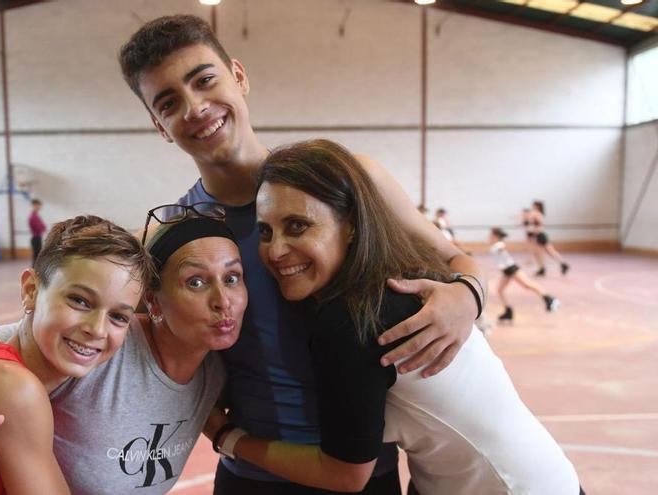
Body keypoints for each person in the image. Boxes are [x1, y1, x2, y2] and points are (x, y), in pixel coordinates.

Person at [119, 15, 486, 493]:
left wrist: (467, 298)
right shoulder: (173, 235)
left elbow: (457, 260)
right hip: (252, 473)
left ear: (239, 76)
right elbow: (102, 327)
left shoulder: (351, 182)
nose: (195, 108)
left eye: (204, 80)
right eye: (169, 103)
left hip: (364, 469)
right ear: (159, 126)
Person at [206, 139, 581, 494]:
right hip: (531, 474)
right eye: (266, 232)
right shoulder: (401, 276)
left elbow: (345, 473)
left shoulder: (352, 320)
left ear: (350, 224)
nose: (275, 250)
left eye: (298, 226)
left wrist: (228, 437)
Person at [0, 213, 244, 494]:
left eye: (117, 316)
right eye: (79, 300)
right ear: (30, 290)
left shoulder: (18, 374)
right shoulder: (12, 387)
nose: (97, 329)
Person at [489, 227, 559, 323]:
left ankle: (549, 299)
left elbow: (503, 248)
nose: (489, 236)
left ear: (495, 235)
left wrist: (503, 249)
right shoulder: (496, 245)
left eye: (491, 234)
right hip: (506, 271)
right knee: (500, 290)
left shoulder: (499, 244)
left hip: (511, 268)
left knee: (527, 284)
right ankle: (508, 311)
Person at [528, 201, 569, 276]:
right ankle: (544, 268)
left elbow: (539, 224)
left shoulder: (537, 214)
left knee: (545, 252)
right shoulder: (536, 213)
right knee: (541, 252)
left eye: (534, 205)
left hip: (539, 235)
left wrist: (533, 229)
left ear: (537, 206)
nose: (532, 206)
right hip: (538, 235)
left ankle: (544, 268)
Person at [29, 198, 47, 266]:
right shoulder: (33, 216)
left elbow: (42, 226)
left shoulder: (36, 215)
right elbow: (39, 227)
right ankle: (33, 272)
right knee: (36, 257)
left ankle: (34, 271)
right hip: (36, 238)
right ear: (34, 205)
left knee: (37, 257)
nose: (39, 207)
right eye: (38, 205)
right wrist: (42, 227)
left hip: (38, 237)